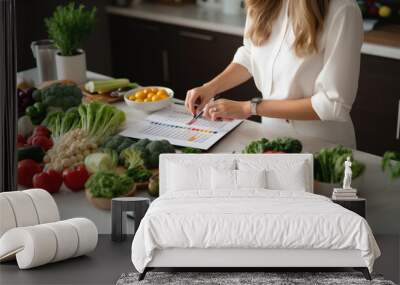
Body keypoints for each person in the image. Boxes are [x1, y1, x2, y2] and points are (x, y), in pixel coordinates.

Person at [185, 0, 363, 147]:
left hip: (323, 148)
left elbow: (333, 104)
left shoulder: (343, 10)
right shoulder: (261, 3)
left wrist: (249, 108)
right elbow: (250, 54)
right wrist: (210, 88)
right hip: (271, 138)